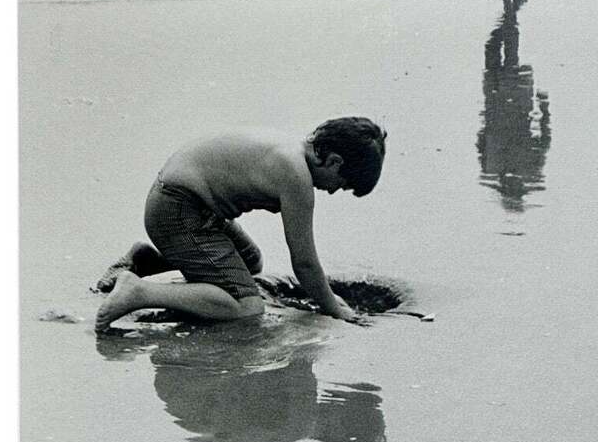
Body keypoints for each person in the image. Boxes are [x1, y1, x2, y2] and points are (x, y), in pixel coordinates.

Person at [94, 118, 386, 333]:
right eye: (342, 184)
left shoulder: (291, 147)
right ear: (334, 161)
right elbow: (305, 263)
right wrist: (333, 307)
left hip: (176, 200)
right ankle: (139, 292)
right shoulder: (297, 178)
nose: (334, 191)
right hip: (179, 209)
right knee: (246, 306)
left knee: (251, 261)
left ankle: (147, 260)